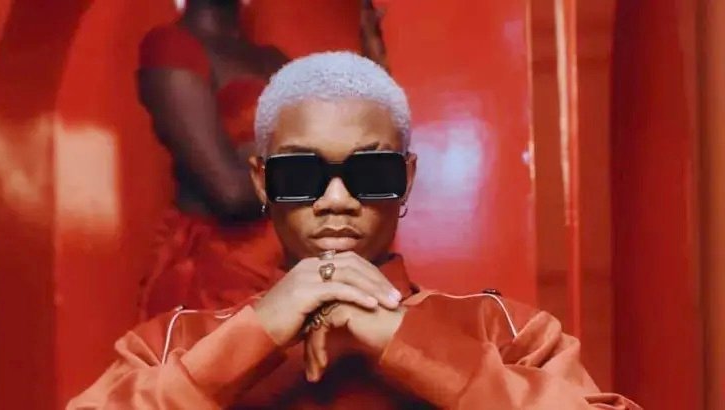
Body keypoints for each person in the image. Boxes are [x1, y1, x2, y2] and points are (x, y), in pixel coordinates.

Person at [70, 52, 640, 409]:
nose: (336, 201)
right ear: (263, 182)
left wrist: (404, 342)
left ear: (406, 179)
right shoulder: (175, 342)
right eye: (301, 175)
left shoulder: (503, 331)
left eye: (370, 173)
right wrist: (259, 333)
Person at [136, 0, 288, 318]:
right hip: (221, 274)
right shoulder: (173, 46)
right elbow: (229, 192)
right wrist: (314, 172)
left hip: (290, 263)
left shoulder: (274, 58)